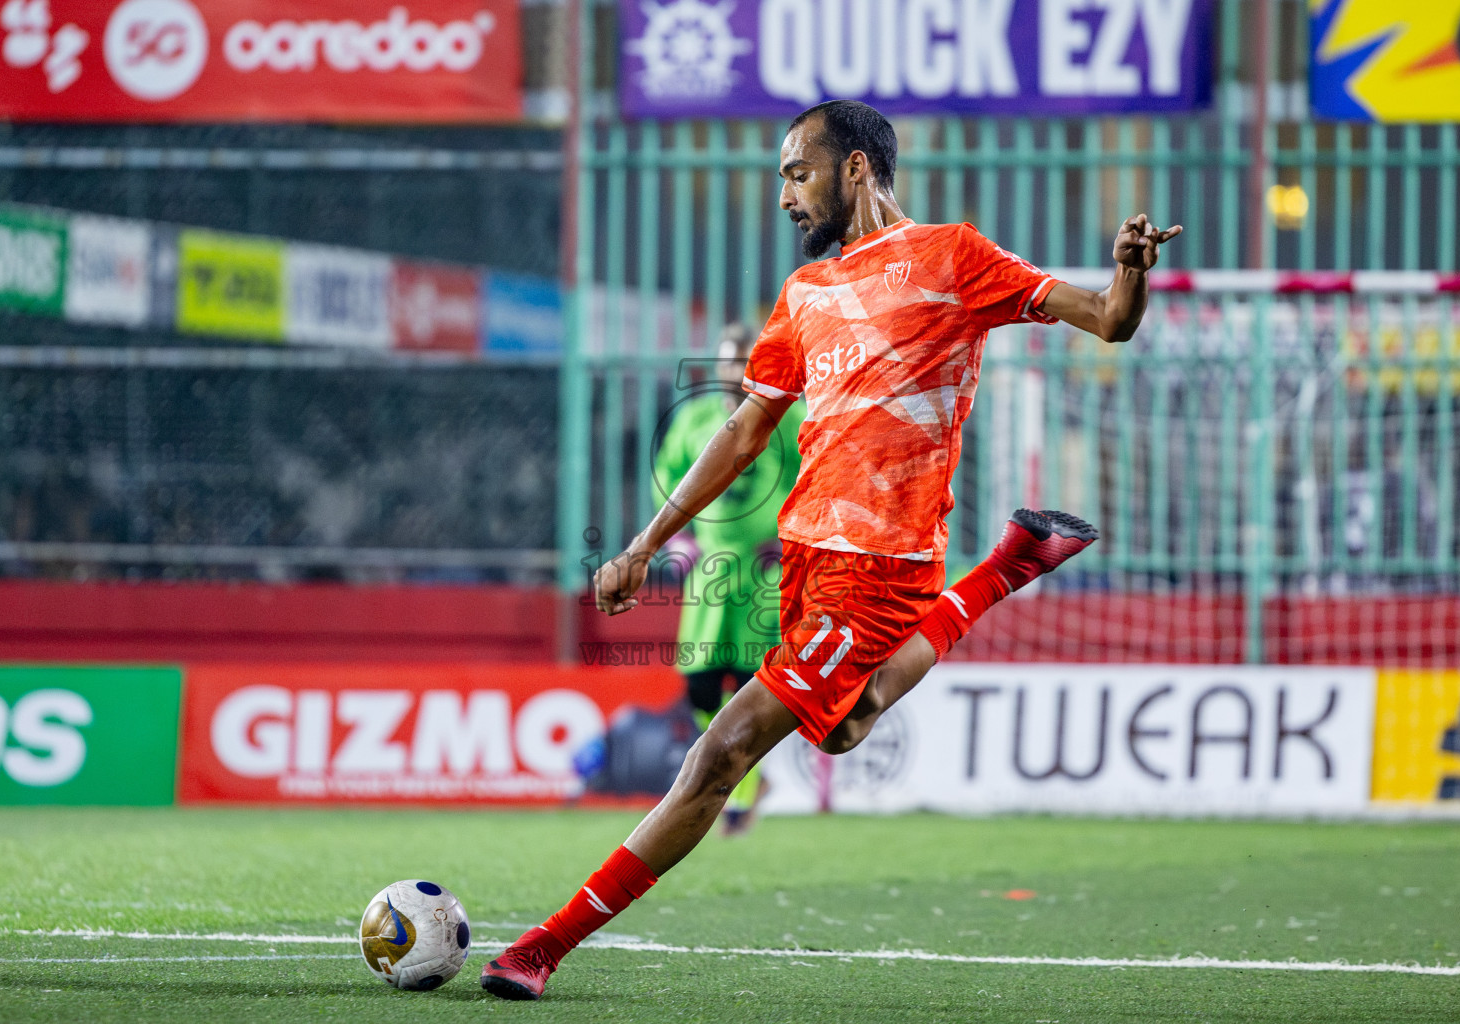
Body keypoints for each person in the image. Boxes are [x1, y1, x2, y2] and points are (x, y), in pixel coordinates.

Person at [481, 99, 1182, 1001]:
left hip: (881, 564)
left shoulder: (953, 258)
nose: (783, 195)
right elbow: (740, 433)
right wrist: (644, 543)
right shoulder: (803, 297)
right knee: (845, 728)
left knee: (722, 750)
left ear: (856, 168)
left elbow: (1108, 320)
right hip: (805, 555)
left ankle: (543, 945)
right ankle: (1010, 565)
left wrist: (1128, 275)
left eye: (796, 172)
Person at [653, 323, 803, 835]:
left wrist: (788, 537)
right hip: (709, 566)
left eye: (744, 364)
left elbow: (811, 476)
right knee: (697, 680)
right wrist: (678, 539)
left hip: (763, 567)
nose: (733, 373)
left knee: (748, 681)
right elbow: (670, 479)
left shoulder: (789, 417)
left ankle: (736, 788)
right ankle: (733, 773)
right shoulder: (694, 420)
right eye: (726, 363)